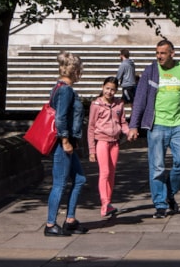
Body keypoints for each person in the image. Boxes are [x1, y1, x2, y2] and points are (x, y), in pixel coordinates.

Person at [127, 39, 180, 219]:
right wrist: (133, 125)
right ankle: (160, 204)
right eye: (157, 53)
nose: (159, 56)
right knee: (157, 167)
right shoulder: (151, 71)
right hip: (157, 125)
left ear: (172, 53)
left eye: (163, 53)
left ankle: (168, 192)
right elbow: (140, 99)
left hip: (179, 125)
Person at [44, 51, 89, 237]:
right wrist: (64, 140)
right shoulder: (65, 90)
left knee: (79, 179)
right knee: (60, 184)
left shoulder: (62, 88)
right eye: (80, 70)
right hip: (63, 143)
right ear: (74, 70)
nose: (81, 73)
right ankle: (50, 224)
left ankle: (70, 220)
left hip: (69, 141)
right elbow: (61, 118)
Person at [87, 76, 127, 218]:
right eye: (107, 88)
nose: (109, 92)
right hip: (102, 142)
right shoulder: (96, 105)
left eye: (113, 90)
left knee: (111, 172)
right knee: (104, 172)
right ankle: (104, 203)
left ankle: (108, 202)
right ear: (103, 87)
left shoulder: (118, 105)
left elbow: (122, 123)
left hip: (114, 143)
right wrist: (92, 150)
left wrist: (129, 132)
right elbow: (91, 128)